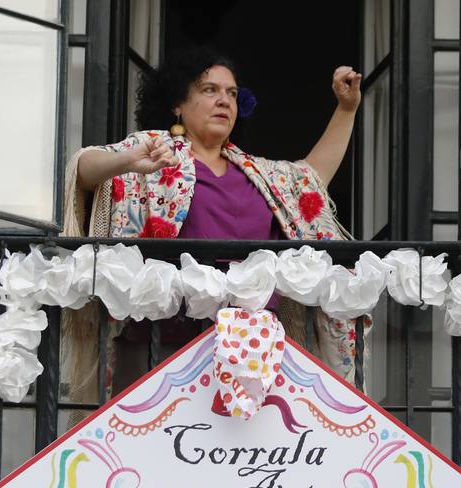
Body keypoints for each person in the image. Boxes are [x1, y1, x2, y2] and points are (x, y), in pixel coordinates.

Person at [62, 47, 364, 399]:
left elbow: (311, 178)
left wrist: (346, 109)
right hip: (162, 352)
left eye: (232, 94)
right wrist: (126, 161)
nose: (224, 100)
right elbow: (84, 170)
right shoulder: (153, 151)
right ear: (178, 103)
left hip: (253, 354)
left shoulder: (260, 174)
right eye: (210, 90)